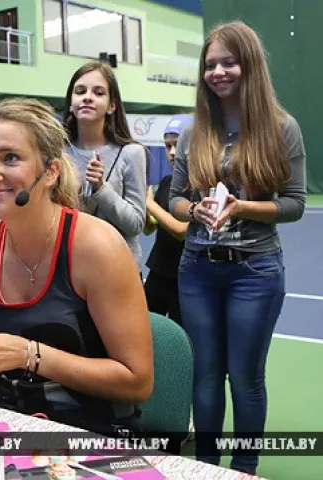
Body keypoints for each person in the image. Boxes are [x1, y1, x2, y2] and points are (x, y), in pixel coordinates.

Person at [0, 97, 153, 435]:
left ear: (50, 172)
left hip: (95, 432)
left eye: (10, 158)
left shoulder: (97, 246)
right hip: (12, 424)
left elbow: (137, 383)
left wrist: (30, 355)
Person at [168, 22, 306, 474]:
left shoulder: (283, 129)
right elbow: (175, 198)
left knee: (246, 380)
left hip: (256, 271)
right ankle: (206, 465)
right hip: (197, 269)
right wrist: (195, 211)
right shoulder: (193, 132)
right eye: (210, 64)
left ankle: (243, 467)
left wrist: (242, 207)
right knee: (206, 375)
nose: (218, 72)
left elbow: (294, 204)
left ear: (250, 65)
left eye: (229, 62)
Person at [62, 61, 148, 270]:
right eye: (80, 91)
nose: (88, 97)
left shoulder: (131, 153)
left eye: (99, 92)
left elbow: (135, 224)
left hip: (118, 269)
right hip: (71, 270)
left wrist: (100, 188)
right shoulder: (58, 153)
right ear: (71, 104)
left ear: (112, 106)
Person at [142, 115, 192, 324]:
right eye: (167, 146)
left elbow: (182, 231)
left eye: (178, 146)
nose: (172, 153)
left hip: (186, 278)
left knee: (181, 338)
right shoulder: (167, 181)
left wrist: (149, 203)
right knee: (146, 330)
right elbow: (149, 229)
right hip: (158, 271)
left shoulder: (203, 186)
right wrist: (146, 214)